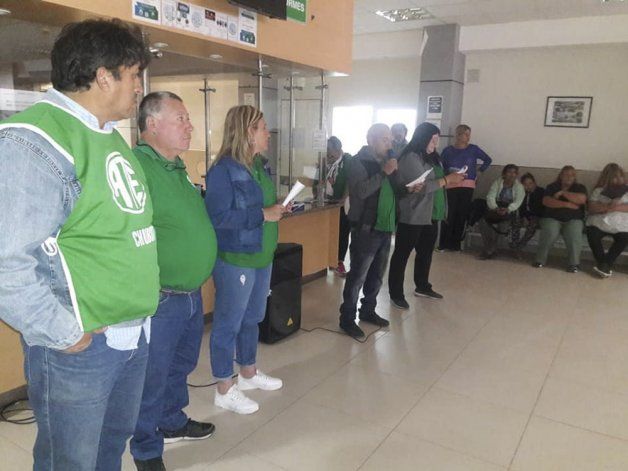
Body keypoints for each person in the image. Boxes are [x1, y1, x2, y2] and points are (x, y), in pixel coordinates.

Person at [0, 19, 160, 470]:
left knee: (110, 449)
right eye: (134, 75)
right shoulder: (34, 139)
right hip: (82, 347)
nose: (139, 87)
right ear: (104, 76)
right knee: (70, 462)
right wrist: (65, 333)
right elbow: (7, 263)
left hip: (130, 335)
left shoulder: (107, 134)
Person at [130, 92, 218, 471]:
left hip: (190, 293)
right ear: (152, 124)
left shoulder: (176, 167)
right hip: (161, 297)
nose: (190, 126)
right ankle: (146, 448)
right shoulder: (137, 167)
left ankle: (171, 421)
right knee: (152, 376)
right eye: (180, 118)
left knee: (181, 365)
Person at [205, 105, 287, 414]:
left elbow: (261, 204)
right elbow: (218, 217)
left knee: (253, 317)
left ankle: (248, 372)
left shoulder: (260, 165)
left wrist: (276, 209)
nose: (268, 133)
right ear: (247, 132)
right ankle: (224, 388)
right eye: (263, 128)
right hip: (236, 258)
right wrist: (263, 214)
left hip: (262, 255)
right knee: (229, 323)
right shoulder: (223, 170)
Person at [388, 122, 466, 309]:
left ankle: (422, 286)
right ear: (423, 138)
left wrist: (451, 176)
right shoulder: (410, 157)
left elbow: (436, 179)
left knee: (425, 252)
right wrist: (447, 179)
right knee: (402, 255)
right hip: (413, 214)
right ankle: (396, 293)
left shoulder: (432, 157)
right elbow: (421, 187)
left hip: (431, 213)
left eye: (437, 140)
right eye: (433, 140)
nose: (435, 144)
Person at [338, 123, 396, 339]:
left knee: (377, 275)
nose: (389, 144)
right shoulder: (357, 162)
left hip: (385, 226)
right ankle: (347, 318)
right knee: (357, 276)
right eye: (384, 139)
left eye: (390, 140)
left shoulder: (388, 162)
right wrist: (384, 173)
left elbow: (394, 191)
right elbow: (361, 191)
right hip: (366, 228)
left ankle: (368, 310)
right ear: (371, 139)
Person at [438, 124, 492, 251]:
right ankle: (443, 244)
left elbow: (488, 160)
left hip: (467, 185)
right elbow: (441, 166)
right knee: (449, 214)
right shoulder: (448, 150)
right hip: (451, 184)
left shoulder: (473, 149)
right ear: (458, 135)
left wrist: (480, 171)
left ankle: (455, 245)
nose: (468, 137)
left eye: (469, 134)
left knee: (461, 214)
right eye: (465, 134)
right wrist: (448, 174)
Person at [534, 165, 588, 272]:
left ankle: (574, 264)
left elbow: (581, 200)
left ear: (575, 177)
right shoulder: (552, 186)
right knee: (550, 232)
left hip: (574, 219)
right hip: (552, 218)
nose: (569, 177)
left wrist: (563, 193)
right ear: (560, 176)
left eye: (572, 175)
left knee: (574, 235)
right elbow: (547, 201)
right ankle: (540, 260)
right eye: (566, 174)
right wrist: (567, 204)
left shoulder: (580, 187)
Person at [586, 163, 628, 277]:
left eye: (620, 176)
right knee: (592, 234)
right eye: (615, 177)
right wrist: (608, 206)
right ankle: (604, 265)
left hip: (621, 223)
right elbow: (591, 208)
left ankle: (605, 264)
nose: (619, 179)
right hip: (600, 221)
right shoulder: (599, 190)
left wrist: (616, 206)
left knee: (624, 238)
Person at [478, 164, 525, 259]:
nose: (511, 175)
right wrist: (496, 208)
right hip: (496, 207)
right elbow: (490, 197)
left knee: (503, 226)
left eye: (514, 173)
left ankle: (491, 250)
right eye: (509, 172)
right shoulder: (497, 183)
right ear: (504, 174)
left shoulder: (519, 187)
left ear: (517, 175)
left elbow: (518, 202)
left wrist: (508, 209)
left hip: (510, 210)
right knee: (483, 222)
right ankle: (489, 247)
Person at [326, 136, 352, 276]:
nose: (328, 153)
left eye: (329, 150)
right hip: (330, 202)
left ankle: (339, 261)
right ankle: (330, 260)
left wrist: (343, 198)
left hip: (343, 204)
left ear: (337, 149)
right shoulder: (327, 162)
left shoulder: (348, 160)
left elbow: (350, 180)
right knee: (331, 231)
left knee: (342, 232)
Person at [510, 172, 544, 251]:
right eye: (525, 184)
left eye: (530, 183)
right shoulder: (522, 193)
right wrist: (524, 217)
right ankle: (514, 244)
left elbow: (539, 209)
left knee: (533, 224)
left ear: (535, 183)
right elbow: (520, 207)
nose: (528, 186)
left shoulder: (540, 192)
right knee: (516, 219)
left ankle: (520, 245)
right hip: (525, 215)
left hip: (537, 216)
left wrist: (529, 217)